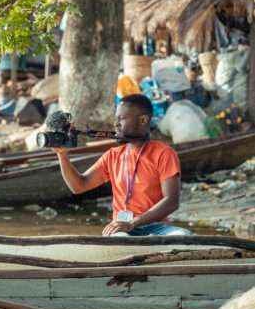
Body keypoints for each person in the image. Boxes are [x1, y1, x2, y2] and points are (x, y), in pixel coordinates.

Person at [54, 94, 192, 236]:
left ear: (143, 120)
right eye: (116, 119)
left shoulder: (164, 153)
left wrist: (133, 223)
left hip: (156, 228)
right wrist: (62, 155)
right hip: (121, 229)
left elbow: (171, 201)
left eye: (122, 118)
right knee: (121, 238)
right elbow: (78, 186)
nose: (116, 124)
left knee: (183, 236)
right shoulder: (113, 155)